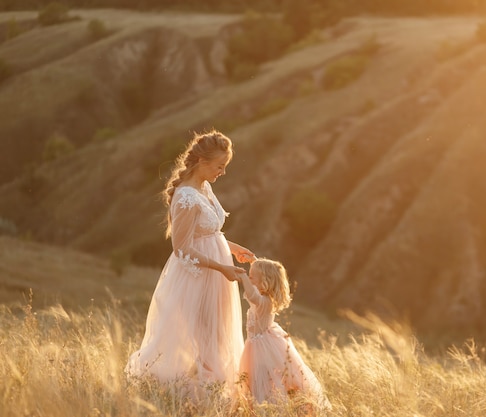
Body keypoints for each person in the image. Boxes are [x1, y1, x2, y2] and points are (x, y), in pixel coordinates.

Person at [125, 129, 255, 396]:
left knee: (216, 337)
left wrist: (232, 249)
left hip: (217, 273)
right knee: (199, 337)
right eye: (220, 166)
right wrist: (221, 267)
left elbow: (208, 234)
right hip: (196, 277)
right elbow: (182, 248)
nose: (223, 172)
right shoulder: (185, 196)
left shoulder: (204, 187)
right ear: (202, 163)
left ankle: (213, 393)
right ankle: (189, 394)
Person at [235, 258, 331, 411]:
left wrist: (243, 277)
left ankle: (269, 407)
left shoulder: (266, 301)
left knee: (265, 377)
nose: (249, 277)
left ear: (265, 281)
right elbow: (253, 294)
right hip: (254, 344)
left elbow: (253, 296)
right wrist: (254, 264)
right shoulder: (261, 297)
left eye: (253, 276)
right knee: (253, 377)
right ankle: (255, 407)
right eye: (250, 275)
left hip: (263, 346)